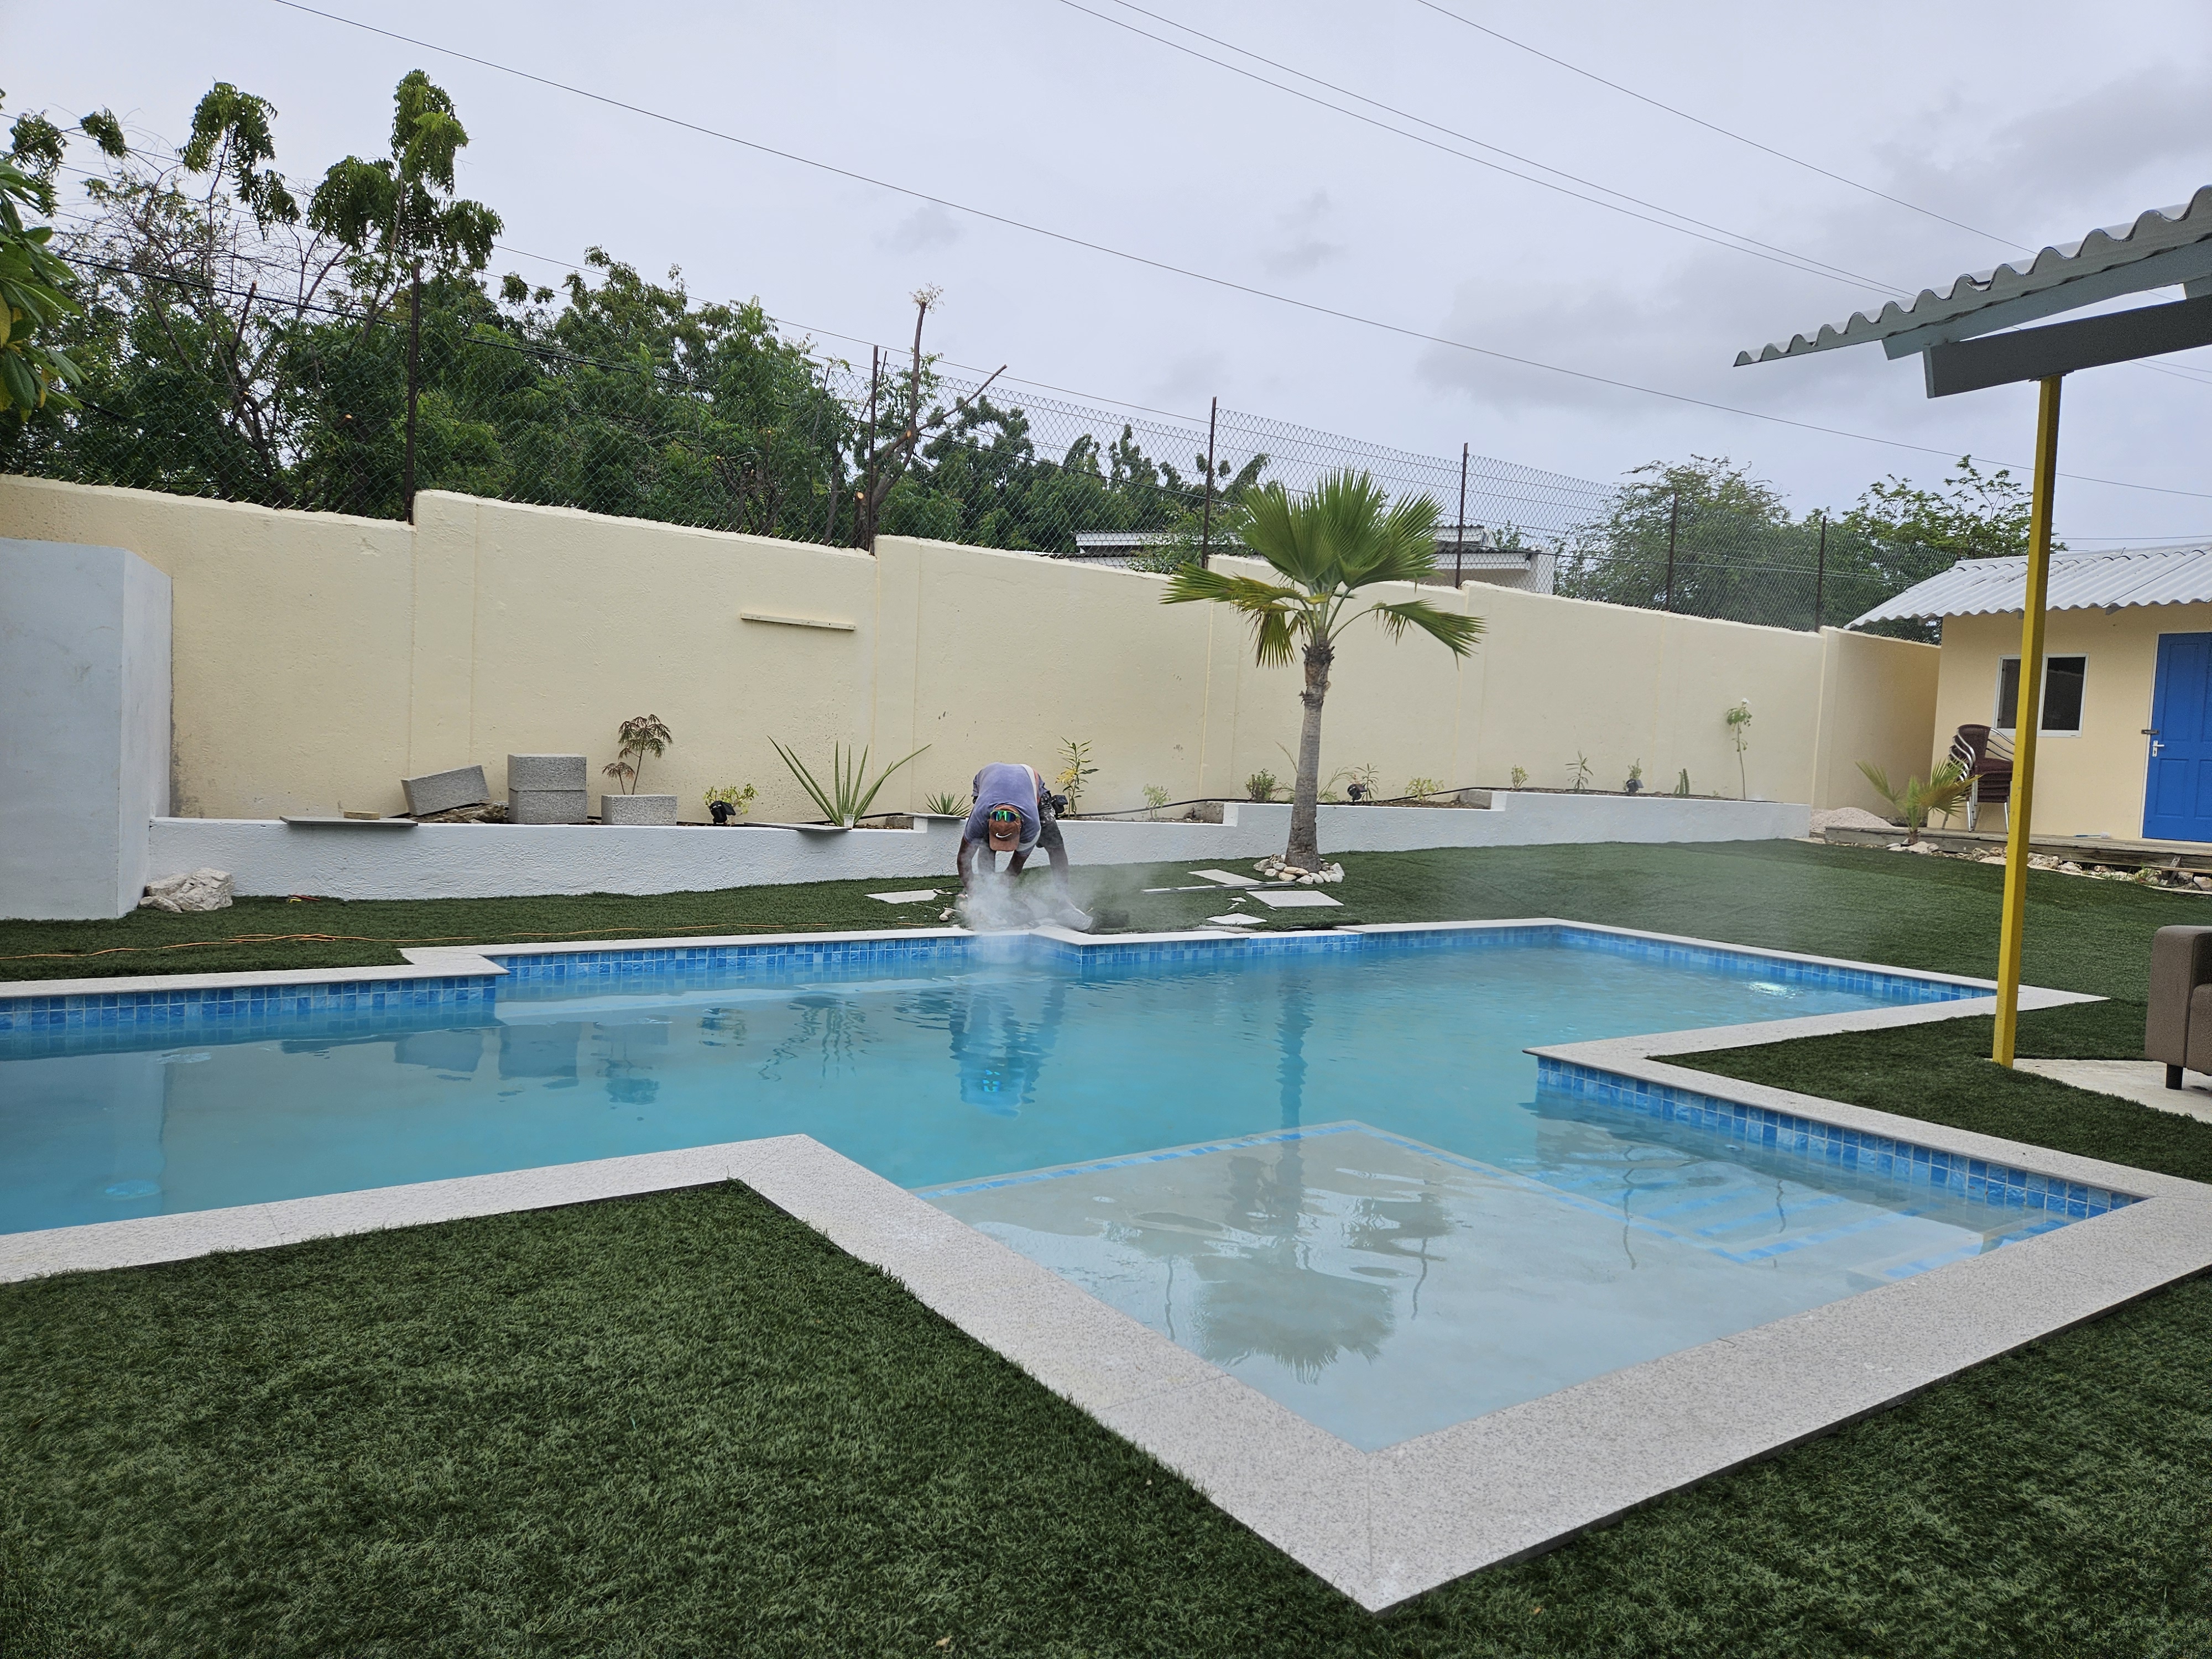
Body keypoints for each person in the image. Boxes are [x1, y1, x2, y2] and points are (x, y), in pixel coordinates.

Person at [957, 760, 1079, 915]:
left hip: (1029, 778)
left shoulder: (1032, 824)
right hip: (986, 778)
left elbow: (1016, 866)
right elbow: (963, 858)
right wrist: (975, 894)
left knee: (1054, 843)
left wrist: (1001, 892)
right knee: (986, 845)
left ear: (1021, 827)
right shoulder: (980, 818)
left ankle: (1064, 898)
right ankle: (987, 890)